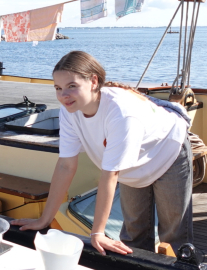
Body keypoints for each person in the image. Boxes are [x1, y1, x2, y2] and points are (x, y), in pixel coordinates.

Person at [11, 50, 193, 255]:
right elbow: (66, 165)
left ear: (93, 82)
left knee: (173, 236)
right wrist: (45, 219)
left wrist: (97, 233)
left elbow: (110, 175)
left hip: (167, 152)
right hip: (131, 167)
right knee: (133, 234)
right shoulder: (70, 111)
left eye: (72, 86)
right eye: (58, 88)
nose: (63, 95)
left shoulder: (121, 113)